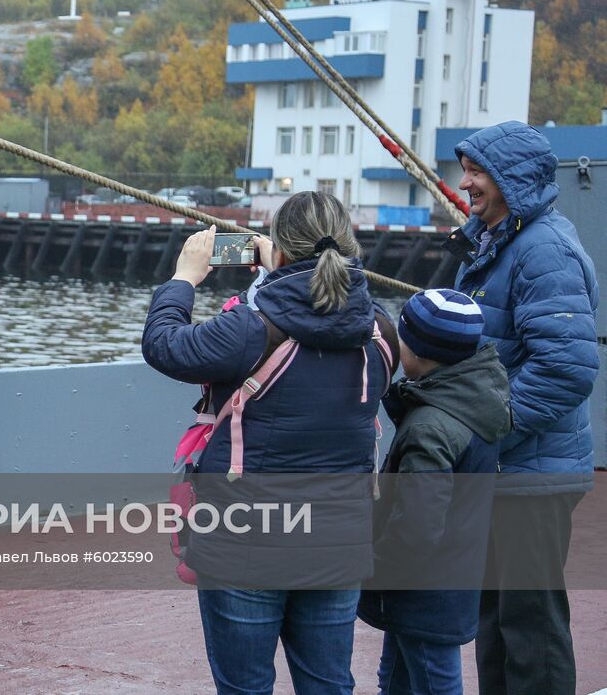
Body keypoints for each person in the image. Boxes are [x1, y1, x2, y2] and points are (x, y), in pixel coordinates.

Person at [142, 191, 395, 695]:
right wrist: (276, 272)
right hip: (338, 542)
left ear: (278, 247)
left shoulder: (249, 331)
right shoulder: (380, 329)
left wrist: (184, 278)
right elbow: (318, 313)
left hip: (245, 543)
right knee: (328, 684)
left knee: (246, 685)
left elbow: (164, 345)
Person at [446, 121, 599, 695]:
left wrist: (485, 431)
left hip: (531, 471)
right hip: (507, 467)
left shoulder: (544, 250)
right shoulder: (500, 240)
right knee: (495, 620)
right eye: (467, 170)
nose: (466, 183)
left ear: (513, 179)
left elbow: (566, 370)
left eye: (478, 171)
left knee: (530, 624)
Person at [357, 290, 511, 695]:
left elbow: (417, 526)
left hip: (421, 590)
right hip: (452, 576)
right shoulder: (480, 398)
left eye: (402, 342)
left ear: (419, 354)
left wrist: (370, 566)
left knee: (434, 681)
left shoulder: (430, 428)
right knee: (397, 678)